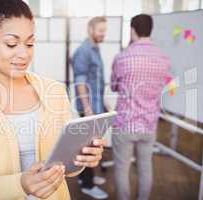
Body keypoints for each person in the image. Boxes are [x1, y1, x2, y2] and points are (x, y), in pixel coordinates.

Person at [0, 1, 106, 199]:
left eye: (29, 44)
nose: (24, 54)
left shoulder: (54, 91)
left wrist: (82, 158)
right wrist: (20, 184)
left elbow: (68, 168)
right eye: (11, 44)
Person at [110, 14, 171, 200]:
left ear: (132, 30)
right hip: (149, 123)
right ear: (150, 30)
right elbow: (163, 87)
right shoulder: (164, 59)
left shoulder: (122, 57)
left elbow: (114, 86)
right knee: (146, 167)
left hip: (125, 123)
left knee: (122, 169)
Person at [71, 17, 108, 199]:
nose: (104, 34)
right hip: (88, 107)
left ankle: (85, 177)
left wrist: (103, 103)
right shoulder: (84, 51)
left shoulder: (95, 49)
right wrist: (87, 108)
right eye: (101, 30)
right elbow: (80, 83)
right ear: (90, 29)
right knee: (87, 145)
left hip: (96, 105)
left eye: (104, 30)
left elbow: (97, 81)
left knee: (91, 143)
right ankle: (87, 184)